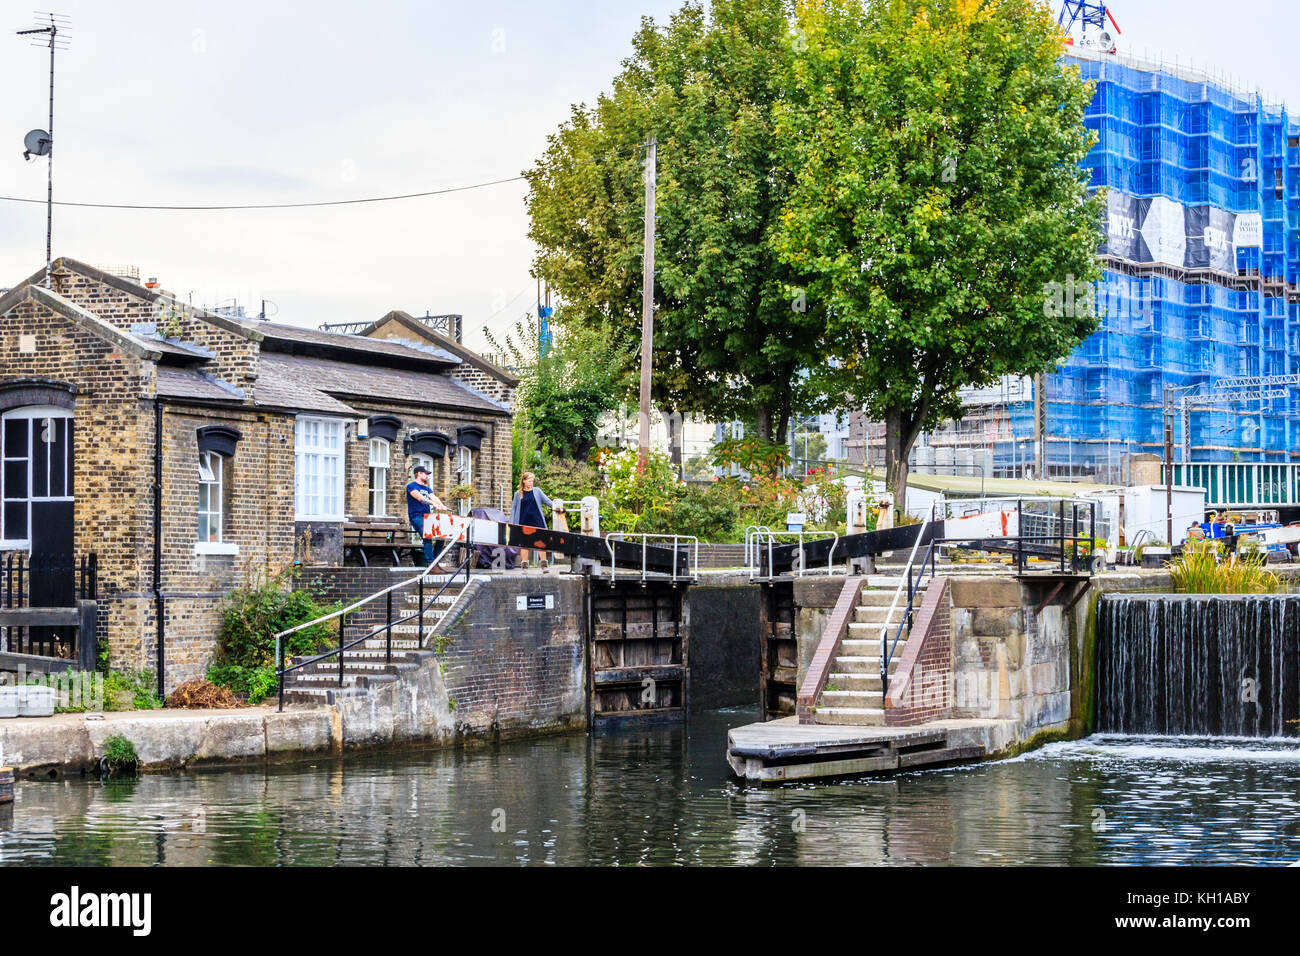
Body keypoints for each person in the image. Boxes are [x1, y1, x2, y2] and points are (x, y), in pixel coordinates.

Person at [406, 465, 450, 566]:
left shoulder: (427, 489)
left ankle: (434, 560)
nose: (427, 476)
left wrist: (441, 505)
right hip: (417, 516)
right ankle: (430, 562)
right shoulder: (411, 486)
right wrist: (433, 504)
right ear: (419, 474)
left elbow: (433, 497)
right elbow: (420, 498)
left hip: (427, 517)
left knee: (441, 537)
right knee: (427, 537)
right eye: (425, 474)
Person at [511, 471, 554, 570]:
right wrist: (512, 524)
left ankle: (544, 565)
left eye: (532, 481)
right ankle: (525, 566)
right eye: (529, 481)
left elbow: (547, 501)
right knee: (524, 544)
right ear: (524, 481)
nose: (531, 483)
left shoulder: (537, 491)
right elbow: (514, 509)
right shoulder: (518, 494)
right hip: (523, 521)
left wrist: (557, 506)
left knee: (541, 543)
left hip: (537, 520)